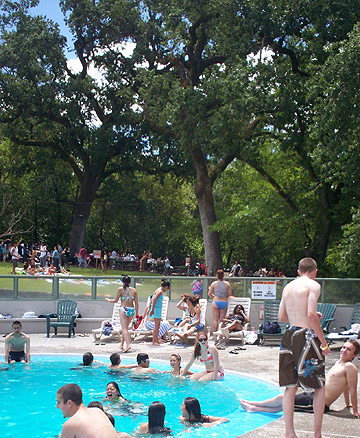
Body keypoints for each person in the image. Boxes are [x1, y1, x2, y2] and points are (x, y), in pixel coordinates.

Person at [240, 339, 360, 418]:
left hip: (317, 403)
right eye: (343, 347)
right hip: (313, 395)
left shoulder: (350, 367)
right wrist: (347, 404)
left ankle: (254, 407)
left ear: (354, 355)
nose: (344, 350)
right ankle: (254, 406)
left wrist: (354, 411)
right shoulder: (340, 363)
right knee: (284, 400)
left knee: (284, 402)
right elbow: (345, 387)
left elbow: (352, 389)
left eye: (348, 349)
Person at [278, 257, 330, 438]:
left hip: (289, 335)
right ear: (315, 271)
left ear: (298, 271)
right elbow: (310, 315)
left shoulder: (288, 287)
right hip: (306, 336)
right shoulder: (313, 285)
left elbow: (282, 317)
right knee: (319, 386)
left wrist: (307, 315)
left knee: (290, 386)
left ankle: (289, 432)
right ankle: (317, 434)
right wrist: (323, 343)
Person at [105, 275, 139, 353]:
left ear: (122, 282)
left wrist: (108, 300)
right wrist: (137, 314)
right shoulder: (134, 291)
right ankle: (122, 344)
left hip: (124, 309)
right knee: (126, 328)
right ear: (130, 282)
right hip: (131, 310)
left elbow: (115, 300)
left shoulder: (120, 289)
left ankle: (128, 345)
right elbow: (137, 303)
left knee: (124, 329)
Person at [148, 279, 170, 345]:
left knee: (157, 326)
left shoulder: (158, 290)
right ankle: (154, 341)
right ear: (166, 287)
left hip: (157, 309)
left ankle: (155, 340)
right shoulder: (160, 291)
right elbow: (154, 299)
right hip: (156, 309)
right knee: (157, 326)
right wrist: (152, 310)